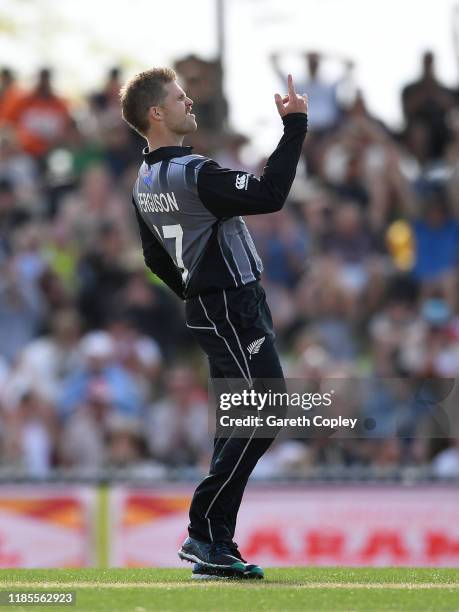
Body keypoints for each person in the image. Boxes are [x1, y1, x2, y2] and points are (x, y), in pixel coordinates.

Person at [120, 67, 307, 579]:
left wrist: (195, 290)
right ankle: (203, 530)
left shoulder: (144, 181)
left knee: (244, 421)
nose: (189, 103)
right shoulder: (193, 172)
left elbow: (155, 258)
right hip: (230, 304)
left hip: (214, 305)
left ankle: (213, 543)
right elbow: (271, 194)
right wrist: (295, 126)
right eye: (180, 98)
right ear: (156, 113)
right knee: (266, 411)